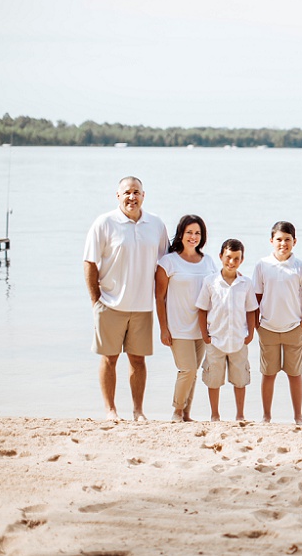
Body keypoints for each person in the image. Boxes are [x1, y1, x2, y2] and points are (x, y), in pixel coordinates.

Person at [83, 176, 169, 421]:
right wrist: (95, 300)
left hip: (143, 306)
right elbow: (90, 261)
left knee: (138, 360)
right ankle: (110, 410)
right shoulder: (104, 223)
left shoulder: (156, 224)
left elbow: (165, 265)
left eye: (137, 192)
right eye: (127, 193)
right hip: (110, 303)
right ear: (118, 196)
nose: (132, 197)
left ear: (144, 195)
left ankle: (138, 411)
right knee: (109, 359)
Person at [155, 215, 218, 422]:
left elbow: (217, 292)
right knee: (187, 369)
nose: (193, 237)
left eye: (197, 233)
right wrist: (163, 328)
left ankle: (187, 414)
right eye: (189, 232)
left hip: (202, 327)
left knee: (194, 372)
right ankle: (176, 411)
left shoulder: (208, 261)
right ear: (181, 233)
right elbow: (159, 297)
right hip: (178, 327)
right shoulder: (168, 262)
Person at [252, 221, 302, 425]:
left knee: (294, 374)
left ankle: (298, 417)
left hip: (293, 328)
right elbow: (256, 297)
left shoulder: (300, 267)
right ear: (271, 241)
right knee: (268, 374)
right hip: (268, 328)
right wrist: (257, 325)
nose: (283, 243)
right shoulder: (262, 265)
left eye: (287, 239)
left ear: (294, 242)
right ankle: (266, 416)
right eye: (279, 239)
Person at [196, 239, 258, 422]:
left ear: (242, 259)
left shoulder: (245, 283)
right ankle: (215, 415)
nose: (231, 262)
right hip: (215, 339)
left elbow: (251, 310)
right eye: (228, 257)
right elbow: (202, 309)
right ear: (221, 256)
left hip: (238, 339)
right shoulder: (210, 282)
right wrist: (204, 335)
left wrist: (251, 333)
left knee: (240, 380)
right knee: (213, 380)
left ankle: (240, 414)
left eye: (236, 259)